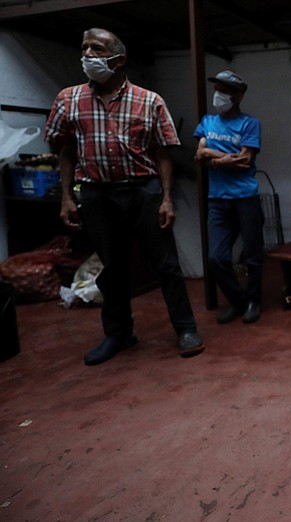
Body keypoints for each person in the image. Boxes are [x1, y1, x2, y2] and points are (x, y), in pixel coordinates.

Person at [45, 27, 204, 365]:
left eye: (97, 48)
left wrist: (166, 198)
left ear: (118, 59)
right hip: (96, 194)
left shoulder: (149, 100)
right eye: (85, 47)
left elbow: (163, 154)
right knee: (112, 268)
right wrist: (66, 197)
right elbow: (65, 151)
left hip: (143, 190)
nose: (88, 54)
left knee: (166, 264)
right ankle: (118, 334)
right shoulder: (69, 98)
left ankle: (186, 329)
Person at [193, 70, 263, 325]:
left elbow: (246, 161)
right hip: (217, 198)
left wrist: (214, 158)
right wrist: (226, 158)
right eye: (217, 88)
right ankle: (239, 302)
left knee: (253, 254)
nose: (218, 94)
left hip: (245, 196)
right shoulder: (207, 122)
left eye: (225, 90)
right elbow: (199, 154)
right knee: (216, 257)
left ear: (238, 95)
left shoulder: (249, 123)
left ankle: (254, 301)